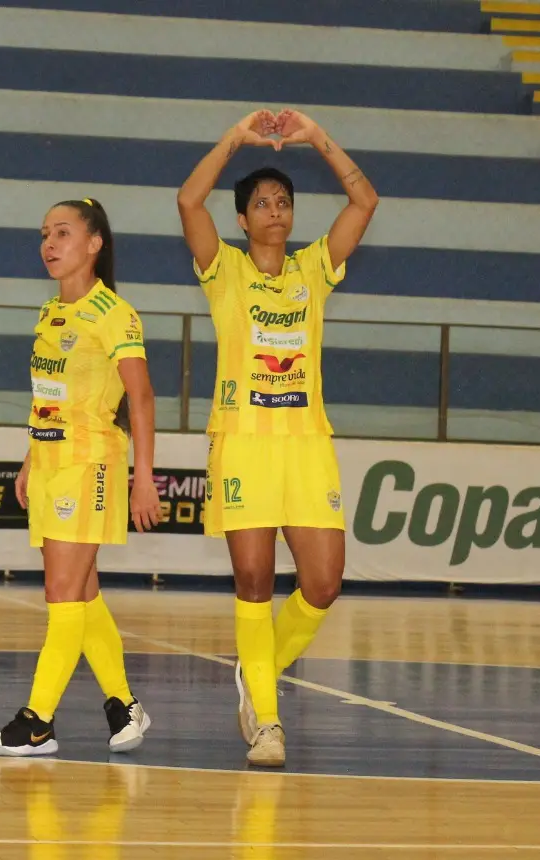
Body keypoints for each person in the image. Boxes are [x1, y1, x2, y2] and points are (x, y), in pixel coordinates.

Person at [176, 109, 379, 767]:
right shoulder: (224, 271)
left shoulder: (315, 271)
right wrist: (234, 138)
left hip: (305, 444)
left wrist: (316, 138)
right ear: (243, 218)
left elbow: (364, 199)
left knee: (322, 584)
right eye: (261, 202)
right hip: (243, 442)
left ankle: (255, 666)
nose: (274, 210)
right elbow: (187, 199)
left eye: (283, 202)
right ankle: (266, 720)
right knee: (255, 580)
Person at [0, 197, 162, 758]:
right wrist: (30, 457)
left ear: (94, 243)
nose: (49, 243)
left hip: (92, 465)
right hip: (51, 465)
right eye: (44, 234)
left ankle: (38, 722)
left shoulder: (115, 313)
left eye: (62, 232)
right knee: (81, 593)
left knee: (61, 595)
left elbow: (142, 396)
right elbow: (47, 397)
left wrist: (145, 476)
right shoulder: (47, 313)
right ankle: (124, 705)